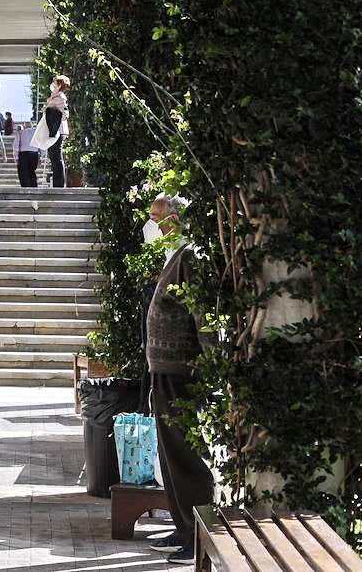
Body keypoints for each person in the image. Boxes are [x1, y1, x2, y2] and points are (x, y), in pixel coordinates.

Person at [142, 194, 213, 565]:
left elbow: (201, 314)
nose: (151, 224)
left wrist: (211, 362)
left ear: (173, 219)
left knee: (185, 454)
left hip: (181, 370)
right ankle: (183, 525)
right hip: (165, 369)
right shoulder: (174, 255)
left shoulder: (188, 257)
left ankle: (198, 532)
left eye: (156, 217)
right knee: (170, 454)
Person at [43, 75, 71, 187]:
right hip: (53, 130)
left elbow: (65, 115)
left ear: (59, 85)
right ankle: (57, 184)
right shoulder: (54, 97)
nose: (53, 85)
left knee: (57, 157)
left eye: (55, 83)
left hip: (58, 131)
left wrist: (51, 110)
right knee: (53, 158)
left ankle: (59, 185)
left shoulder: (60, 97)